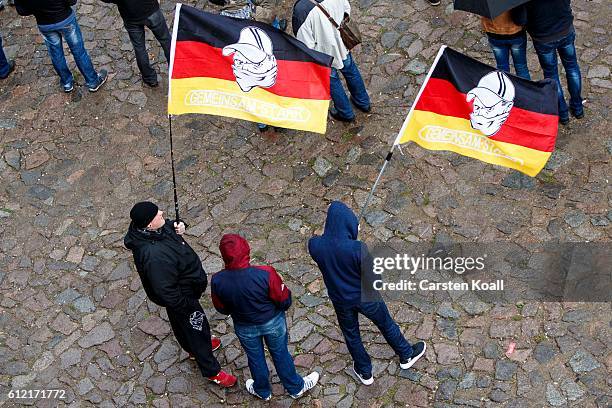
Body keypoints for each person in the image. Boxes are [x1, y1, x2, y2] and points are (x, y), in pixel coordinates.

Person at [308, 201, 426, 385]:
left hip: (340, 300)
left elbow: (326, 243)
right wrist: (354, 236)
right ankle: (406, 354)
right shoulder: (357, 248)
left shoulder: (315, 246)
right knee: (386, 324)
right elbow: (374, 278)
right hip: (366, 296)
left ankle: (364, 371)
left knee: (352, 334)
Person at [124, 202, 237, 388]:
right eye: (157, 215)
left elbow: (168, 225)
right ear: (149, 225)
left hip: (184, 292)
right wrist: (186, 303)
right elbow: (165, 289)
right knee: (197, 329)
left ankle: (192, 350)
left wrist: (179, 225)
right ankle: (211, 370)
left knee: (181, 324)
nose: (162, 213)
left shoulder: (150, 230)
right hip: (182, 297)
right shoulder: (153, 255)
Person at [211, 234, 319, 400]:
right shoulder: (265, 274)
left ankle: (262, 390)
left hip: (244, 326)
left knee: (255, 358)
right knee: (281, 353)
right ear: (246, 249)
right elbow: (284, 299)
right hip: (273, 322)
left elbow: (221, 308)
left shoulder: (218, 280)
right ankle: (295, 387)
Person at [292, 0, 370, 123]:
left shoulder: (301, 9)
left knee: (332, 81)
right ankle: (363, 102)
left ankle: (345, 113)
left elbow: (305, 43)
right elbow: (346, 9)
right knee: (351, 70)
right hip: (341, 43)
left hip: (322, 54)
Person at [14, 0, 107, 93]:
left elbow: (22, 11)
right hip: (65, 19)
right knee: (79, 52)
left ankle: (67, 82)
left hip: (44, 24)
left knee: (56, 54)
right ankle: (92, 81)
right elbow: (72, 1)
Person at [525, 0, 584, 125]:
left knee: (552, 75)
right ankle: (578, 108)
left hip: (543, 37)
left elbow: (520, 19)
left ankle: (563, 114)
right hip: (564, 29)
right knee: (572, 67)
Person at [100, 0, 170, 87]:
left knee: (139, 48)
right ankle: (177, 70)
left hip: (130, 15)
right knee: (166, 41)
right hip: (150, 8)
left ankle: (150, 79)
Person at [481, 7, 530, 80]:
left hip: (494, 32)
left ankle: (505, 88)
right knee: (521, 66)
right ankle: (526, 90)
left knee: (502, 67)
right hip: (515, 32)